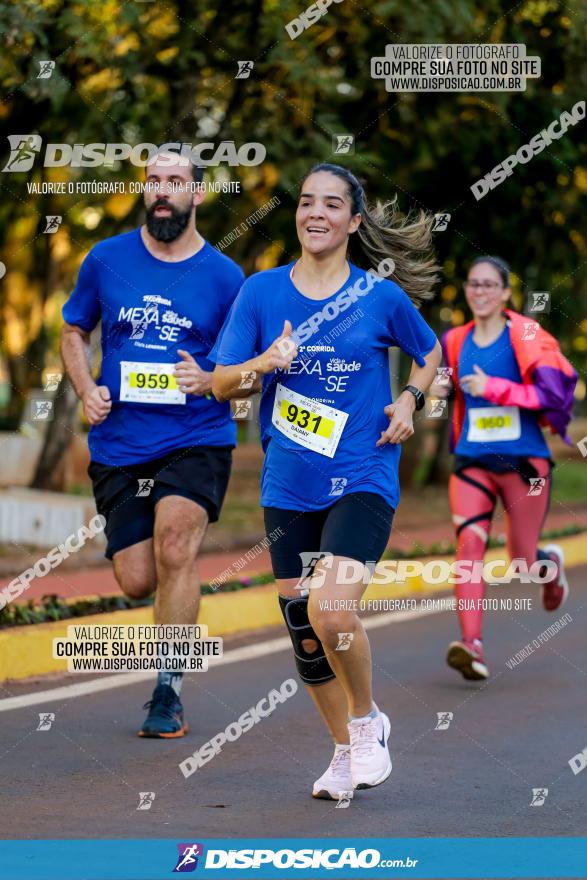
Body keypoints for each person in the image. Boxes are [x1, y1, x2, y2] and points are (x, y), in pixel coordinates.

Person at [211, 163, 441, 800]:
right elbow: (224, 381)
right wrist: (265, 361)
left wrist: (410, 401)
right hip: (288, 484)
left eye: (332, 204)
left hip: (363, 474)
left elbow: (430, 353)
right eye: (307, 202)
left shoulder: (379, 296)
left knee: (330, 606)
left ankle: (367, 724)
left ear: (354, 222)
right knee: (305, 630)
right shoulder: (260, 293)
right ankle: (344, 751)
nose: (317, 213)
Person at [61, 151, 245, 736]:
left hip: (197, 435)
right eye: (154, 182)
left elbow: (246, 365)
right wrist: (86, 386)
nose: (163, 192)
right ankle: (170, 621)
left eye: (175, 182)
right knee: (137, 578)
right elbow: (73, 330)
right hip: (119, 444)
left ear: (196, 194)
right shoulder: (105, 259)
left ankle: (168, 688)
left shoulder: (225, 276)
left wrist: (213, 377)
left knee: (176, 548)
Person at [435, 256, 577, 681]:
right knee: (469, 547)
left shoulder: (526, 334)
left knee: (522, 560)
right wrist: (439, 389)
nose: (480, 292)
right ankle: (471, 645)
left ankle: (548, 565)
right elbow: (443, 385)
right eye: (473, 284)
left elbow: (548, 396)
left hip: (524, 461)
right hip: (473, 459)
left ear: (505, 293)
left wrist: (493, 387)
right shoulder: (455, 340)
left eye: (489, 285)